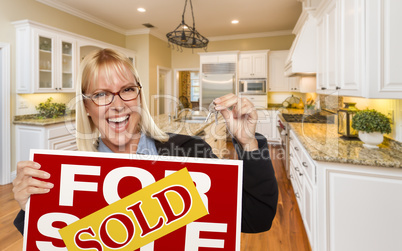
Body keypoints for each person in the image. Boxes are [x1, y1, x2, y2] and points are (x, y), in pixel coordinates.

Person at [13, 48, 278, 235]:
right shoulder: (68, 175)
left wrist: (248, 143)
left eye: (127, 89)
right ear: (86, 108)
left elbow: (256, 217)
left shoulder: (188, 152)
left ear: (139, 96)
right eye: (101, 94)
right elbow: (54, 239)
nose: (118, 105)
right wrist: (31, 208)